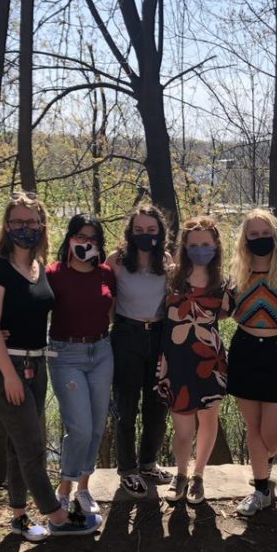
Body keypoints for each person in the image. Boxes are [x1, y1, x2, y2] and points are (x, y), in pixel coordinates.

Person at [0, 191, 102, 540]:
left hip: (37, 365)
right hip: (9, 370)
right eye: (17, 222)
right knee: (32, 447)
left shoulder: (39, 268)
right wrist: (8, 375)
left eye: (31, 222)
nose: (25, 228)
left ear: (42, 226)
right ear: (7, 226)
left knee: (17, 445)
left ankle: (18, 517)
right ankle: (58, 516)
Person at [156, 215, 233, 505]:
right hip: (175, 361)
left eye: (206, 243)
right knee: (183, 429)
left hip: (209, 361)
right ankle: (181, 474)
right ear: (184, 246)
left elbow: (224, 314)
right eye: (194, 244)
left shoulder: (222, 282)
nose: (200, 248)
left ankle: (198, 476)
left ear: (215, 245)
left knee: (208, 420)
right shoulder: (171, 276)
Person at [46, 213, 116, 515]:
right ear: (70, 238)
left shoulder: (105, 273)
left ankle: (84, 488)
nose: (86, 243)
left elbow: (112, 311)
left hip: (102, 351)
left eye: (93, 239)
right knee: (80, 428)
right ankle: (64, 487)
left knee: (97, 426)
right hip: (65, 355)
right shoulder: (52, 273)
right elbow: (32, 309)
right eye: (81, 237)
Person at [227, 209, 277, 517]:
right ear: (245, 239)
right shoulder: (236, 273)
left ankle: (264, 466)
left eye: (264, 234)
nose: (259, 239)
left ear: (275, 236)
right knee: (253, 428)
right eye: (253, 235)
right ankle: (260, 490)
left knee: (272, 434)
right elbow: (220, 308)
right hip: (244, 351)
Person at [106, 204, 173, 498]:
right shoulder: (116, 261)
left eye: (151, 230)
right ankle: (128, 469)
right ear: (130, 233)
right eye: (139, 230)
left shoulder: (167, 260)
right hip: (126, 337)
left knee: (157, 405)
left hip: (159, 336)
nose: (145, 235)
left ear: (160, 232)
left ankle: (148, 463)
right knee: (126, 407)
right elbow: (105, 300)